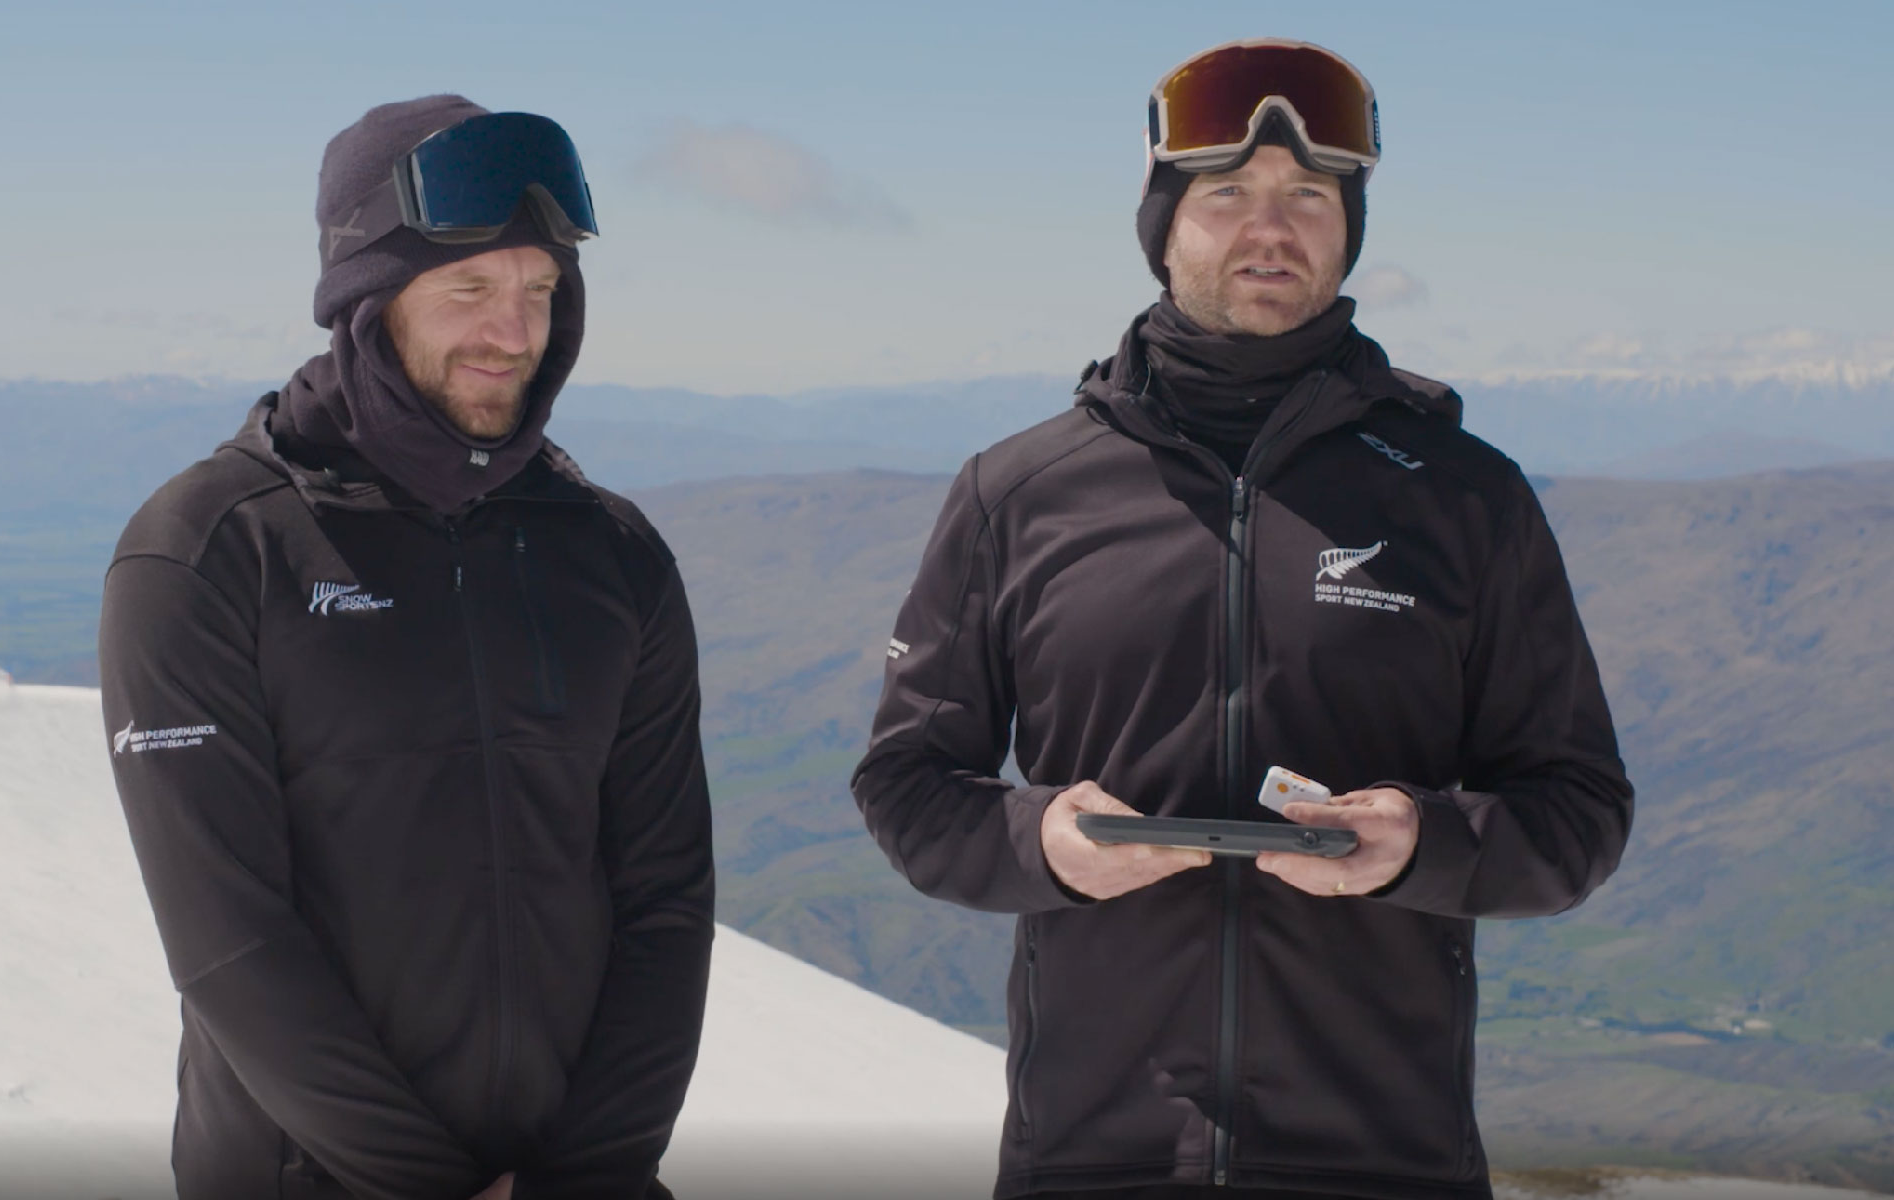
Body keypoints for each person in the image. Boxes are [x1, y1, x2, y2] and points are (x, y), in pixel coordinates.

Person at [852, 39, 1633, 1200]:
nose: (1271, 229)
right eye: (1227, 196)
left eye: (1310, 198)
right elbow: (909, 785)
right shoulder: (1019, 492)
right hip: (1093, 1155)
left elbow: (1578, 815)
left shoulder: (1463, 495)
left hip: (1382, 1160)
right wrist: (1043, 847)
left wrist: (1424, 847)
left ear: (1348, 229)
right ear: (1164, 225)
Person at [99, 96, 713, 1200]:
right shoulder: (208, 550)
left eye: (540, 288)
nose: (515, 332)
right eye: (469, 289)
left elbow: (665, 893)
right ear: (367, 299)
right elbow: (225, 937)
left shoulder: (614, 555)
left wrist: (598, 1174)